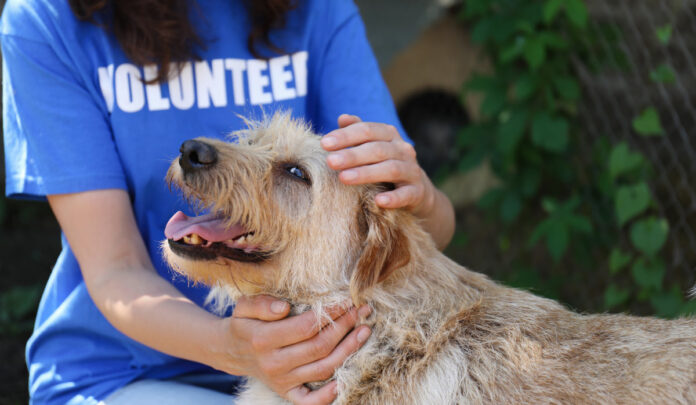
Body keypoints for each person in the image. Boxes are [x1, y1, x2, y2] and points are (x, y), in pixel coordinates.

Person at [1, 0, 456, 404]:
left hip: (325, 365)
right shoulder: (45, 19)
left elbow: (406, 235)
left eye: (290, 173)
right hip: (121, 373)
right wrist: (235, 348)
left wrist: (423, 196)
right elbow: (116, 266)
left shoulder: (316, 7)